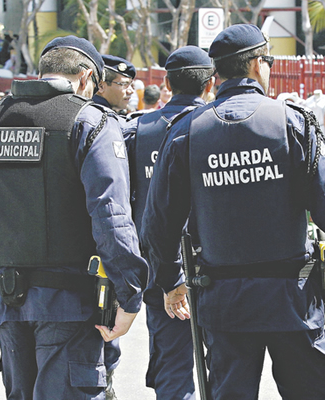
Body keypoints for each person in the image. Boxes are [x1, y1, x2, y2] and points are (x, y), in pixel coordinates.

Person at [141, 24, 325, 399]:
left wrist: (169, 280)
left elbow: (158, 223)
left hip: (224, 302)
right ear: (258, 65)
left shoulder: (187, 131)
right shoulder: (291, 123)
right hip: (290, 300)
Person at [0, 36, 148, 400]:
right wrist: (130, 295)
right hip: (72, 305)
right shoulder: (91, 121)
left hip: (7, 305)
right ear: (87, 78)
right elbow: (111, 216)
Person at [124, 45, 214, 399]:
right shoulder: (217, 125)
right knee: (224, 364)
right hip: (216, 265)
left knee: (171, 364)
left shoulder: (138, 130)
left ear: (166, 83)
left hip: (160, 268)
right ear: (210, 84)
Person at [90, 53, 137, 397]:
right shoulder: (97, 122)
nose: (130, 91)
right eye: (122, 84)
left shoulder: (117, 121)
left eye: (132, 85)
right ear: (100, 84)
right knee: (100, 327)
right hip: (98, 247)